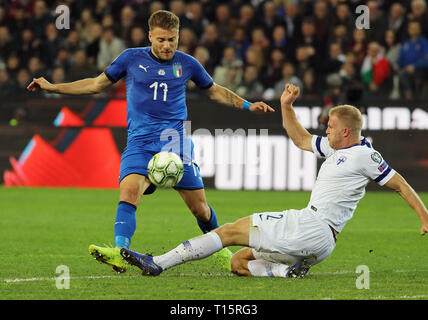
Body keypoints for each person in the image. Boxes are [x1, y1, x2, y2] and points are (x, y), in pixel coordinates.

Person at [26, 10, 274, 273]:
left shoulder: (188, 63)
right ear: (150, 37)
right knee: (129, 193)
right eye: (161, 40)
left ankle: (221, 251)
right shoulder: (131, 58)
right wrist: (52, 87)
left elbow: (215, 91)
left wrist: (247, 105)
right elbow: (96, 84)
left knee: (200, 209)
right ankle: (120, 251)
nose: (167, 46)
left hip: (175, 144)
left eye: (172, 39)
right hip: (140, 143)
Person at [119, 83, 428, 278]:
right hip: (320, 243)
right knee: (239, 262)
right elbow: (301, 138)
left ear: (347, 132)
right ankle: (285, 272)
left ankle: (158, 262)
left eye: (331, 127)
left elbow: (400, 184)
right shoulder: (336, 150)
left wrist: (425, 217)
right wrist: (286, 106)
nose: (327, 130)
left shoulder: (363, 155)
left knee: (227, 232)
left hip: (312, 226)